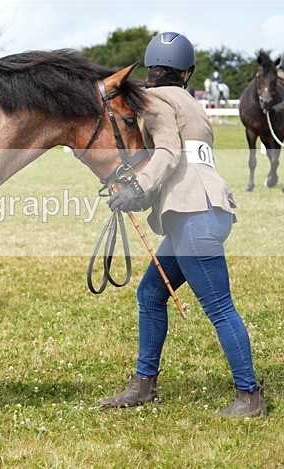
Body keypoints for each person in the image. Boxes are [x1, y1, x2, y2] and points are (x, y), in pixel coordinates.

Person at [100, 32, 265, 417]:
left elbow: (169, 152)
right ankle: (144, 384)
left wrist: (137, 188)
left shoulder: (156, 98)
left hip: (194, 216)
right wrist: (138, 194)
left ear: (150, 68)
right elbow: (184, 163)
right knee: (151, 294)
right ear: (186, 72)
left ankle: (249, 395)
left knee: (219, 306)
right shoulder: (191, 102)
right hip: (202, 212)